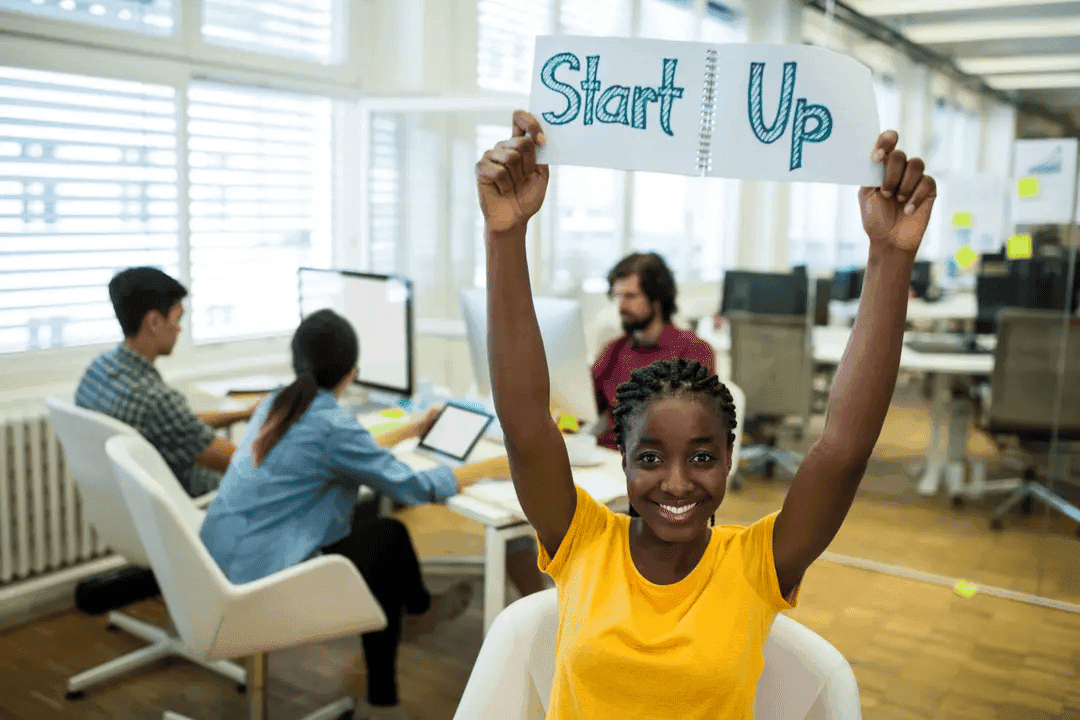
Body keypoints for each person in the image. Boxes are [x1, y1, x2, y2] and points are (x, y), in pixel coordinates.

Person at [477, 110, 935, 717]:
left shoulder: (755, 564)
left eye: (702, 457)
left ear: (728, 461)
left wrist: (890, 256)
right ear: (622, 457)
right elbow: (526, 421)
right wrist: (505, 236)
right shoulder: (583, 541)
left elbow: (842, 449)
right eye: (649, 457)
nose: (676, 481)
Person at [198, 309, 517, 720]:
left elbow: (347, 449)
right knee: (388, 537)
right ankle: (417, 616)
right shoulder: (330, 423)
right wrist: (491, 467)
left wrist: (410, 428)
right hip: (261, 581)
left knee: (373, 531)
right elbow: (415, 487)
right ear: (352, 372)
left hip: (217, 564)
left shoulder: (279, 402)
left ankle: (407, 636)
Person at [75, 267, 254, 497]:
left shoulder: (99, 370)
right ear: (154, 322)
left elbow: (180, 426)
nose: (179, 329)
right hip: (198, 503)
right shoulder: (156, 400)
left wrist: (245, 413)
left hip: (133, 501)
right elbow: (242, 463)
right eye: (177, 318)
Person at [592, 252, 716, 451]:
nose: (621, 306)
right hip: (608, 457)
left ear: (657, 299)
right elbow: (582, 408)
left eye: (630, 296)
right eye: (618, 296)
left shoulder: (694, 351)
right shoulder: (614, 350)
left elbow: (692, 427)